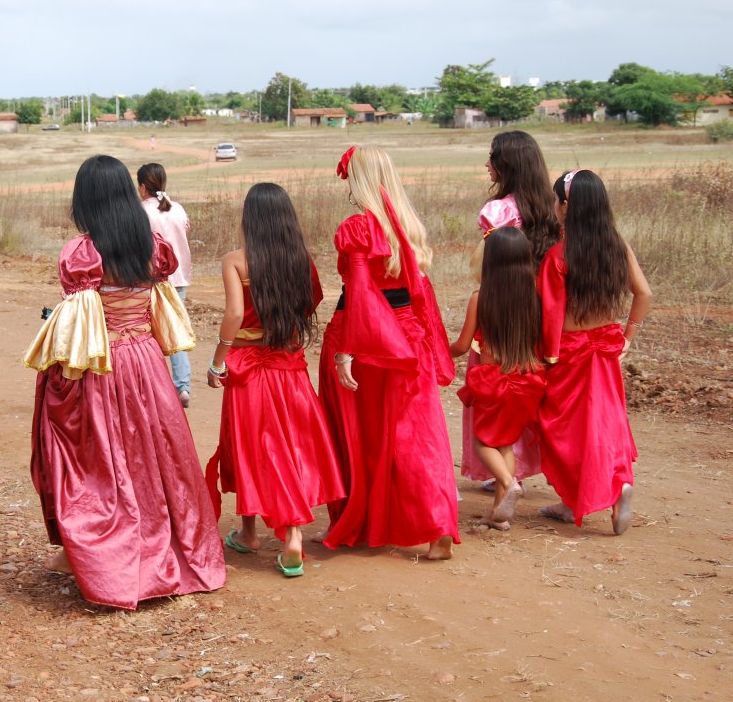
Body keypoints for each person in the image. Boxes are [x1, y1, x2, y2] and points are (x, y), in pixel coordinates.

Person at [24, 155, 224, 609]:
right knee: (156, 456)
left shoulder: (83, 254)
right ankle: (165, 546)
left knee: (104, 459)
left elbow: (76, 326)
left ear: (86, 199)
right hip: (148, 362)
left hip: (104, 365)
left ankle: (108, 555)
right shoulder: (151, 246)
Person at [318, 146, 459, 560]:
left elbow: (360, 291)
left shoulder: (359, 227)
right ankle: (437, 526)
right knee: (415, 432)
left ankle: (365, 520)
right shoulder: (407, 224)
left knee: (363, 433)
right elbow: (421, 294)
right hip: (408, 335)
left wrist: (348, 351)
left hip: (366, 337)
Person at [204, 183, 344, 577]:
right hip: (288, 363)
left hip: (247, 366)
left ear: (250, 218)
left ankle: (256, 534)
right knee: (290, 448)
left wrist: (218, 360)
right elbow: (313, 300)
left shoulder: (236, 260)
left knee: (246, 448)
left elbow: (233, 314)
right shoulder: (301, 260)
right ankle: (289, 534)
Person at [537, 170, 651, 535]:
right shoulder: (617, 246)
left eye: (557, 200)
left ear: (567, 207)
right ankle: (617, 487)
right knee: (606, 423)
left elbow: (552, 316)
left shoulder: (558, 256)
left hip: (569, 353)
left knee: (563, 430)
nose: (554, 207)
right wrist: (628, 335)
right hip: (605, 348)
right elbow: (644, 293)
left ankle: (575, 499)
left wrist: (545, 358)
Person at [461, 130, 558, 490]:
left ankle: (503, 475)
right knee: (524, 393)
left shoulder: (497, 210)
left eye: (493, 157)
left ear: (507, 165)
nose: (487, 163)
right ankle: (518, 470)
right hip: (537, 312)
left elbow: (492, 262)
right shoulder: (551, 208)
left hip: (501, 311)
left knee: (492, 396)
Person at [450, 227, 547, 529]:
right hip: (528, 379)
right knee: (505, 444)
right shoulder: (534, 296)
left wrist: (439, 347)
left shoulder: (481, 298)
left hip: (493, 380)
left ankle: (508, 480)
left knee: (483, 443)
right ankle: (498, 514)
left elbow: (463, 346)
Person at [137, 162, 193, 406]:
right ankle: (183, 386)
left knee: (148, 333)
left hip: (151, 280)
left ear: (141, 187)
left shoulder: (140, 212)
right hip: (178, 279)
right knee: (175, 330)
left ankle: (155, 387)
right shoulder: (177, 209)